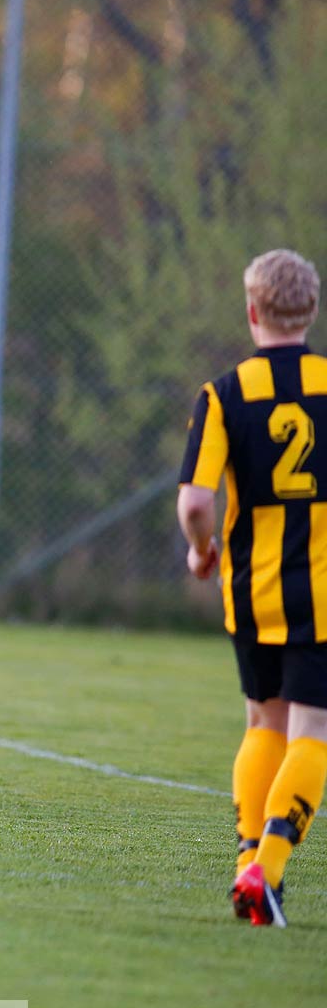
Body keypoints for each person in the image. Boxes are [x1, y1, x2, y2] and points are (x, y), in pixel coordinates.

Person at [179, 248, 327, 928]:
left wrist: (203, 551)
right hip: (323, 589)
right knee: (313, 730)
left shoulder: (223, 394)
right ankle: (264, 871)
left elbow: (195, 504)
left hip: (254, 587)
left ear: (251, 311)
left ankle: (249, 862)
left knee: (262, 720)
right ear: (312, 312)